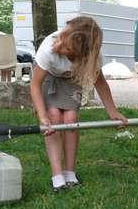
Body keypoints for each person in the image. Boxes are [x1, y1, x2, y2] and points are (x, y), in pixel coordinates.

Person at [30, 16, 127, 192]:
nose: (58, 44)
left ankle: (70, 173)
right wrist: (42, 116)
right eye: (61, 38)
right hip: (48, 77)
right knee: (54, 116)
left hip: (70, 79)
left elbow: (101, 84)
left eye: (66, 46)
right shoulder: (49, 47)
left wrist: (112, 111)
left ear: (80, 51)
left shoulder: (91, 57)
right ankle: (57, 175)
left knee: (71, 117)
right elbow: (35, 84)